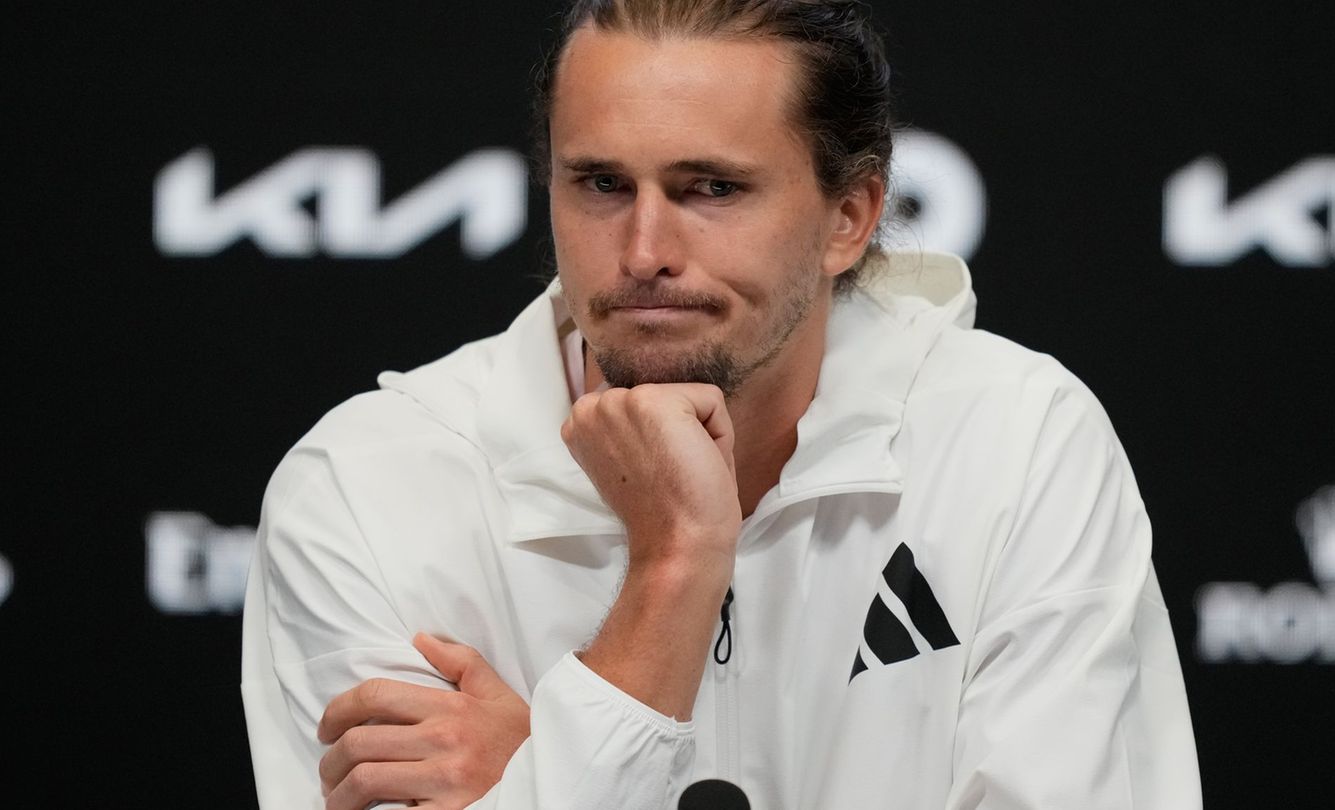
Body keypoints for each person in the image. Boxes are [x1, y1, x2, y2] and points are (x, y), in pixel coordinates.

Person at [241, 1, 1203, 808]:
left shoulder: (1017, 442)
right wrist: (674, 570)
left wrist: (539, 773)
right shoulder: (364, 490)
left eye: (711, 188)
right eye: (602, 184)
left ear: (849, 217)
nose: (644, 249)